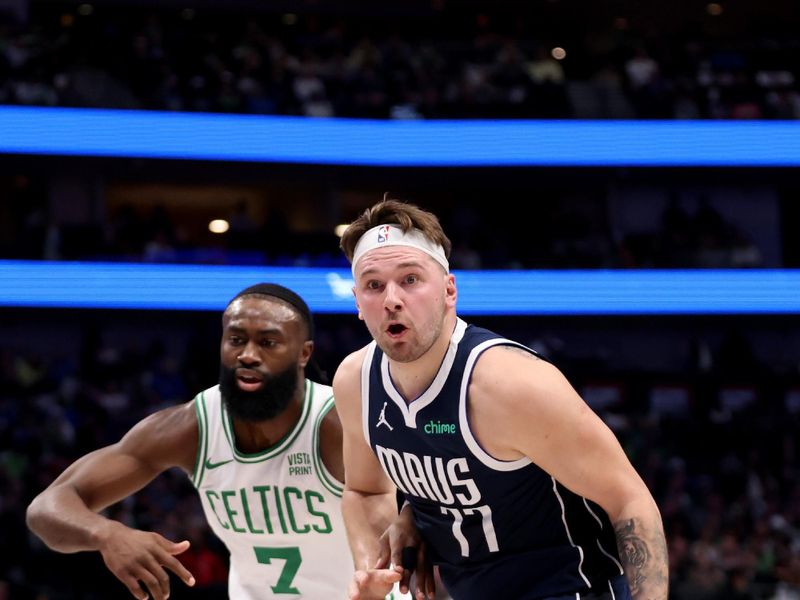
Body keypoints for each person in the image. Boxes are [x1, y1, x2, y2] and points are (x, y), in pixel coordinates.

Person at [334, 200, 669, 600]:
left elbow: (630, 500)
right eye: (374, 285)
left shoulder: (510, 385)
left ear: (448, 291)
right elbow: (366, 492)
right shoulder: (356, 382)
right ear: (357, 302)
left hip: (569, 588)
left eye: (410, 279)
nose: (392, 299)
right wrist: (385, 555)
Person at [27, 283, 356, 600]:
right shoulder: (192, 428)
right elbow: (45, 509)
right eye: (236, 340)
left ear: (303, 353)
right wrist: (107, 533)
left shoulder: (337, 423)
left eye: (268, 343)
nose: (248, 355)